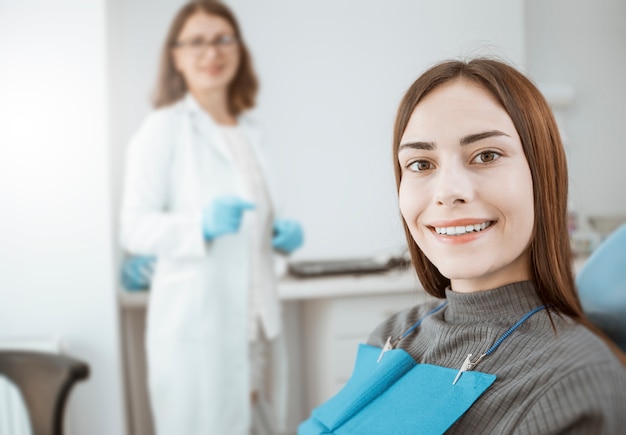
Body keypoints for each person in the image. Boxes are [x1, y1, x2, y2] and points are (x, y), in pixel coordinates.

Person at [299, 58, 626, 434]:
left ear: (543, 175)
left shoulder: (577, 382)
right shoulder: (397, 334)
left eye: (486, 155)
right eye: (421, 163)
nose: (448, 192)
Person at [119, 1, 304, 434]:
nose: (212, 52)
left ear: (238, 49)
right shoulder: (162, 129)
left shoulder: (252, 133)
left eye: (223, 39)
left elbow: (259, 224)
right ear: (176, 56)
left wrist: (280, 237)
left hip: (258, 326)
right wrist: (197, 225)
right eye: (197, 42)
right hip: (199, 328)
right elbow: (133, 226)